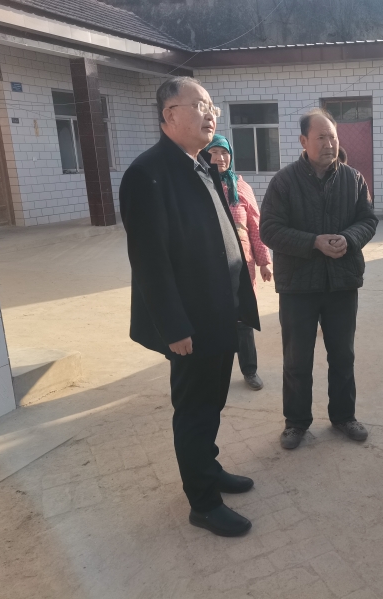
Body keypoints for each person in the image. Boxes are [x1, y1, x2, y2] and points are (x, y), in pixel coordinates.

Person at [119, 77, 261, 538]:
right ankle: (203, 503)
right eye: (199, 105)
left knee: (213, 402)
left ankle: (209, 468)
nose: (210, 114)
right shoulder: (148, 173)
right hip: (191, 324)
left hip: (219, 311)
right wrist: (173, 327)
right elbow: (150, 261)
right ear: (169, 115)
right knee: (195, 410)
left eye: (212, 106)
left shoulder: (200, 165)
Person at [260, 108, 378, 450]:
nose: (329, 144)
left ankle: (344, 416)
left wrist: (349, 239)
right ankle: (296, 422)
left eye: (333, 137)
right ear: (303, 141)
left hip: (342, 283)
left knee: (342, 355)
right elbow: (269, 229)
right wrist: (313, 242)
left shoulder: (353, 179)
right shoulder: (284, 181)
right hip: (298, 285)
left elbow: (368, 220)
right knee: (297, 358)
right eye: (321, 137)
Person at [205, 134, 272, 391]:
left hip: (243, 264)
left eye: (224, 152)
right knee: (214, 319)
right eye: (213, 153)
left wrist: (264, 261)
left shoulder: (242, 188)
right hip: (211, 265)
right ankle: (214, 373)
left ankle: (249, 370)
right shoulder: (200, 186)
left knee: (243, 319)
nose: (220, 158)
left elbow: (255, 227)